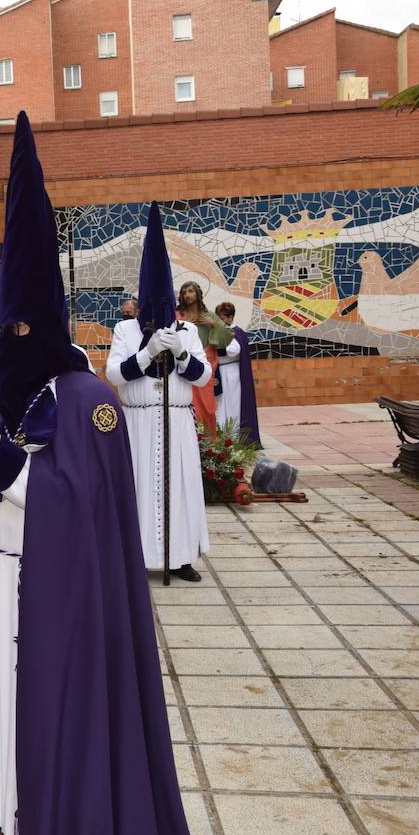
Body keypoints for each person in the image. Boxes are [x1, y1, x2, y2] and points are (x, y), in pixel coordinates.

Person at [0, 113, 204, 835]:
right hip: (4, 578)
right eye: (2, 327)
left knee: (53, 700)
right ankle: (6, 801)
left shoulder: (90, 397)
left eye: (23, 325)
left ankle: (60, 811)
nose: (11, 337)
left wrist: (9, 470)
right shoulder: (3, 392)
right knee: (5, 699)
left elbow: (84, 502)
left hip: (64, 588)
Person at [107, 203, 212, 583]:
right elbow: (114, 375)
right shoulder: (125, 331)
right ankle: (135, 557)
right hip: (138, 418)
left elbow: (203, 378)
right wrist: (147, 351)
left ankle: (180, 556)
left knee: (179, 487)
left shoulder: (189, 332)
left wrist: (182, 352)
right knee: (138, 487)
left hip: (177, 418)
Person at [177, 280, 232, 435]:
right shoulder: (179, 315)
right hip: (184, 366)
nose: (187, 295)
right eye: (184, 292)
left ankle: (208, 443)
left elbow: (228, 334)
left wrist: (213, 323)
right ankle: (188, 436)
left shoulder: (209, 316)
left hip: (205, 367)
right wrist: (185, 323)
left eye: (190, 291)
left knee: (207, 405)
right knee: (187, 402)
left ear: (198, 293)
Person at [214, 301, 262, 445]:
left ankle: (234, 436)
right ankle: (222, 434)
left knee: (234, 403)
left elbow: (235, 350)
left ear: (230, 318)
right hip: (220, 372)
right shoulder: (218, 331)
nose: (220, 321)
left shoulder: (237, 332)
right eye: (218, 318)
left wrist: (217, 349)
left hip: (233, 373)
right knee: (221, 404)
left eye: (222, 318)